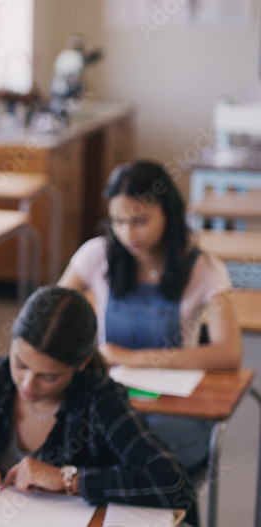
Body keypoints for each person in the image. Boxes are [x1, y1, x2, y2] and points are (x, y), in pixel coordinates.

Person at [0, 286, 196, 518]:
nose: (28, 385)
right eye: (21, 364)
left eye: (49, 376)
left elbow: (173, 483)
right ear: (13, 343)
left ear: (81, 364)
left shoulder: (99, 397)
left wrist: (67, 480)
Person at [58, 160, 242, 470]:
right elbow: (51, 318)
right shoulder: (96, 255)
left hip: (178, 406)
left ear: (168, 214)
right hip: (111, 398)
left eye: (140, 220)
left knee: (139, 449)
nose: (127, 232)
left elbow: (229, 353)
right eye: (117, 221)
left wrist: (132, 357)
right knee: (84, 439)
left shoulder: (205, 269)